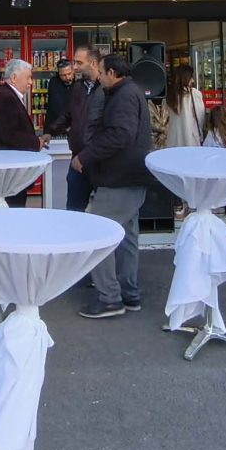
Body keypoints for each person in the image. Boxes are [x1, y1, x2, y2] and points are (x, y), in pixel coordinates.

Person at [76, 54, 154, 319]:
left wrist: (86, 156)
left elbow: (120, 134)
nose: (98, 77)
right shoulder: (131, 92)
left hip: (118, 177)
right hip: (131, 175)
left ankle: (110, 298)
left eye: (101, 72)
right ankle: (129, 293)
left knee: (96, 235)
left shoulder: (123, 96)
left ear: (111, 72)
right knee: (127, 238)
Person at [0, 58, 48, 207]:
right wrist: (36, 142)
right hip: (8, 171)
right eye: (28, 77)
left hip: (8, 169)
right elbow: (9, 134)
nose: (30, 82)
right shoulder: (6, 96)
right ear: (14, 77)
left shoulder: (7, 94)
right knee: (13, 208)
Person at [65, 46, 104, 212]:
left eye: (79, 63)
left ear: (93, 63)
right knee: (74, 211)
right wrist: (50, 131)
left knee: (104, 213)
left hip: (99, 161)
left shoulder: (107, 89)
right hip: (77, 159)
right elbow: (69, 114)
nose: (75, 67)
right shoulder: (77, 87)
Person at [165, 64, 205, 149]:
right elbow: (200, 118)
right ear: (186, 78)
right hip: (191, 138)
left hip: (173, 139)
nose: (193, 80)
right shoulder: (195, 94)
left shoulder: (170, 95)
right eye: (191, 77)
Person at [44, 59, 75, 137]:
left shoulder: (79, 82)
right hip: (55, 128)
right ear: (58, 74)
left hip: (73, 127)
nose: (67, 77)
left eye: (69, 74)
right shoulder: (54, 82)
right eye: (63, 75)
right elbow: (58, 107)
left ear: (73, 71)